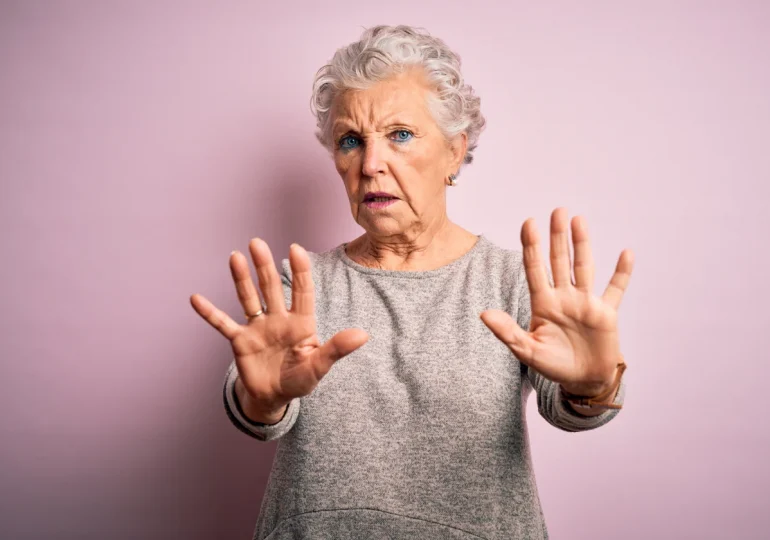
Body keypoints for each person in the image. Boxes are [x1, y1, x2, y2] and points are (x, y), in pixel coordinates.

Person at [190, 24, 633, 540]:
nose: (371, 165)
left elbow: (572, 410)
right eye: (351, 141)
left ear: (452, 151)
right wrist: (261, 399)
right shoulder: (304, 283)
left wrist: (595, 386)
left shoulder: (512, 279)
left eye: (400, 134)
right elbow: (255, 405)